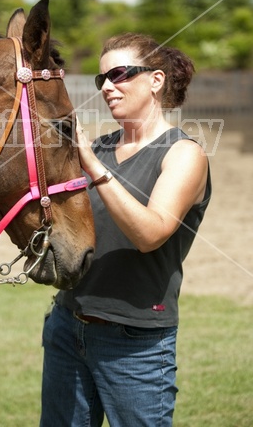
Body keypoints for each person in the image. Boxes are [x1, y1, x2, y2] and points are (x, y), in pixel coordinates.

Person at [40, 33, 212, 427]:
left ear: (155, 80)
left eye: (119, 74)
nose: (107, 87)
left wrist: (91, 165)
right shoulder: (98, 148)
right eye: (102, 79)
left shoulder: (183, 154)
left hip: (135, 344)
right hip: (68, 328)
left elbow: (149, 234)